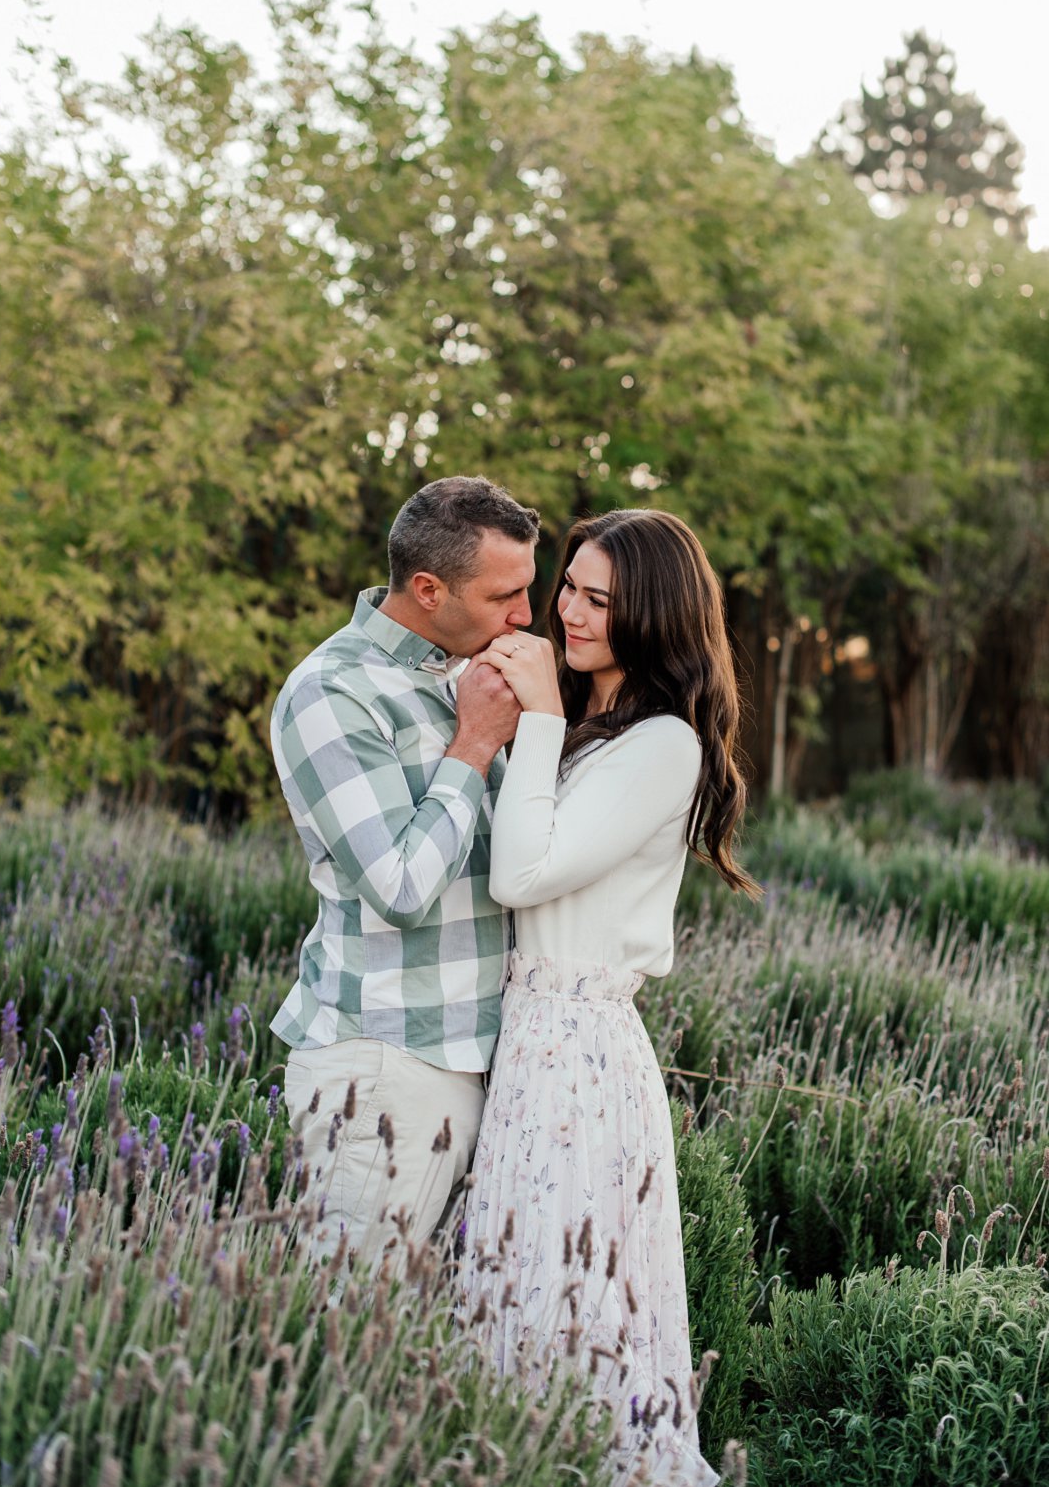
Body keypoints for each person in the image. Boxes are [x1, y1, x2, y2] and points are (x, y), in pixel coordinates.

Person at [458, 509, 759, 1487]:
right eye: (570, 588)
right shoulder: (594, 726)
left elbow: (520, 875)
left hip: (581, 1055)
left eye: (601, 600)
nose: (571, 613)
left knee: (575, 1310)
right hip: (530, 1041)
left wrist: (539, 721)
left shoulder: (663, 746)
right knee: (516, 1303)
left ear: (657, 619)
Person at [270, 475, 539, 1267]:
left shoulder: (465, 672)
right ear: (428, 589)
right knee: (348, 1335)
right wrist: (475, 746)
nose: (523, 615)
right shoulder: (332, 692)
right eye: (504, 597)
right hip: (387, 1074)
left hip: (484, 1065)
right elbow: (400, 889)